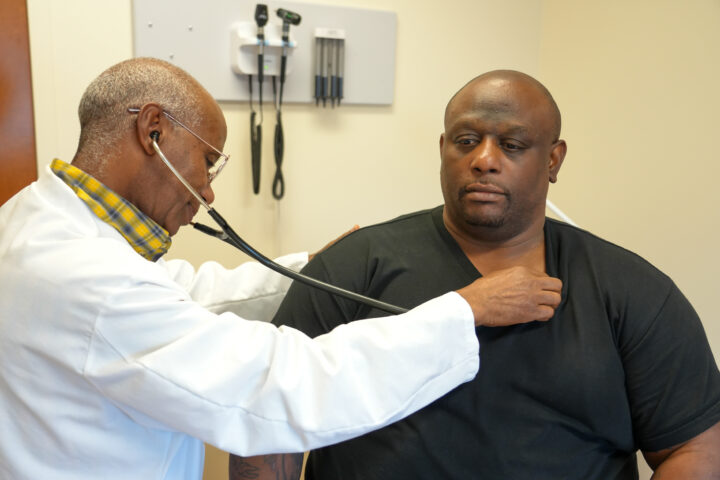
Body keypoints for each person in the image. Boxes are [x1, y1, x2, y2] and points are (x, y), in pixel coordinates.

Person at [0, 59, 565, 479]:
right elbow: (275, 386)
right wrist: (462, 312)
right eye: (207, 159)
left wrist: (312, 269)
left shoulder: (32, 221)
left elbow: (187, 301)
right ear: (153, 131)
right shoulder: (85, 278)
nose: (208, 191)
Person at [230, 70, 720, 479]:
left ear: (553, 159)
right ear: (443, 147)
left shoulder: (628, 290)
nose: (484, 160)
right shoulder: (354, 267)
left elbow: (696, 449)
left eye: (511, 144)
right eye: (467, 141)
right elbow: (268, 416)